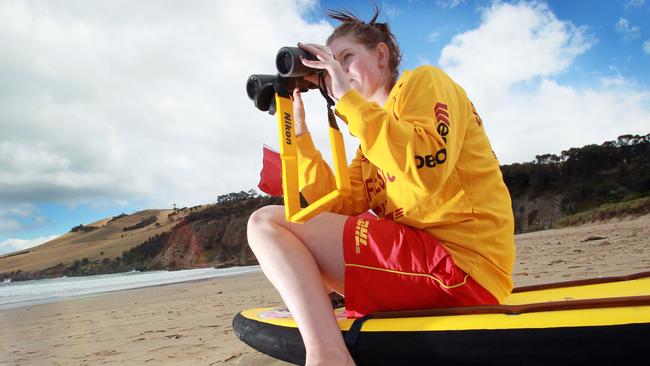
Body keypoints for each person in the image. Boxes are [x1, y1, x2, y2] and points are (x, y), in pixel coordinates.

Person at [247, 7, 514, 366]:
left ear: (381, 55)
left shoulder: (423, 83)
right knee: (277, 228)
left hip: (462, 267)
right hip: (429, 264)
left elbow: (426, 168)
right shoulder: (371, 139)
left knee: (266, 223)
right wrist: (300, 133)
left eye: (347, 58)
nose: (338, 73)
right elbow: (335, 207)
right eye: (330, 68)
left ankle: (328, 356)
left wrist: (349, 102)